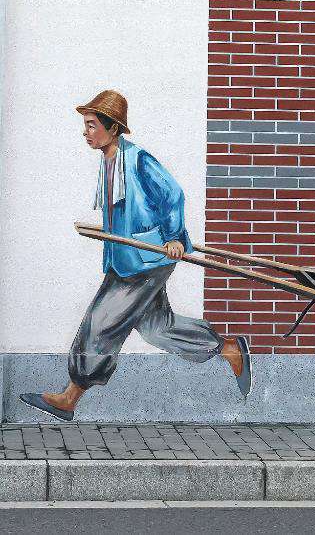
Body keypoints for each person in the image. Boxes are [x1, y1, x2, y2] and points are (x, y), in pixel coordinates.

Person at [19, 90, 252, 422]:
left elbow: (172, 194)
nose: (86, 132)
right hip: (127, 258)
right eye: (85, 125)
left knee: (101, 322)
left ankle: (69, 398)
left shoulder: (138, 159)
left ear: (113, 128)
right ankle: (228, 348)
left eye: (92, 125)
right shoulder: (109, 160)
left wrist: (174, 237)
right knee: (158, 328)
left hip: (146, 259)